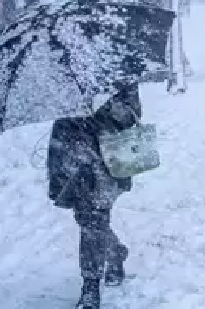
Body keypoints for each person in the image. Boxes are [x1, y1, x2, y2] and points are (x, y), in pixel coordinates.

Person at [48, 82, 142, 309]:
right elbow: (59, 116)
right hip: (71, 159)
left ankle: (90, 286)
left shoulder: (118, 73)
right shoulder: (63, 72)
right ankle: (116, 252)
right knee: (88, 221)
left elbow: (130, 116)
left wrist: (98, 114)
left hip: (106, 163)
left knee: (93, 223)